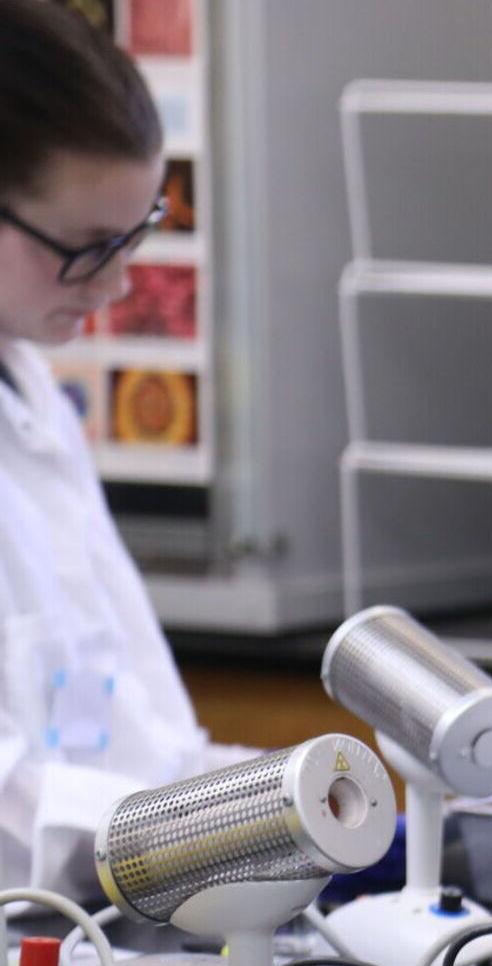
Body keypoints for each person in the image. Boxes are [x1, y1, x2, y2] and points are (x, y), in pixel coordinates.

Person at [0, 0, 231, 896]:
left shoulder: (34, 408)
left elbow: (147, 738)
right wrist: (235, 835)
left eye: (134, 236)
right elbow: (18, 813)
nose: (120, 283)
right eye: (89, 248)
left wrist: (288, 811)